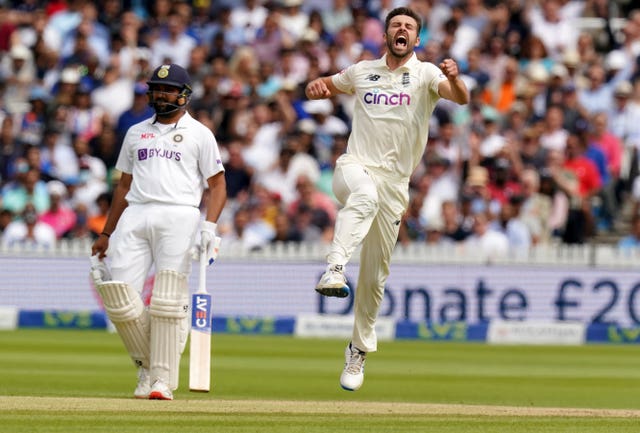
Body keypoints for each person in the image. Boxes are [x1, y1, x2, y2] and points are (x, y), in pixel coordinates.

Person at [304, 7, 469, 392]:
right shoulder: (363, 71)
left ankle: (358, 350)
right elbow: (328, 83)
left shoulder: (427, 74)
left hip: (395, 185)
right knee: (361, 196)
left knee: (375, 277)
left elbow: (459, 99)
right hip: (355, 166)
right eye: (396, 24)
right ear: (385, 34)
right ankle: (334, 268)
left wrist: (456, 79)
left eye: (409, 27)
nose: (402, 29)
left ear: (416, 38)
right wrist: (317, 85)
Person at [90, 63, 226, 401]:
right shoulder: (136, 132)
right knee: (120, 298)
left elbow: (217, 184)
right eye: (156, 88)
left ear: (183, 94)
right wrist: (107, 232)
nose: (160, 94)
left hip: (179, 214)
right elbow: (124, 185)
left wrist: (209, 225)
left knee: (167, 299)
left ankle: (159, 380)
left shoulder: (200, 134)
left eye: (167, 89)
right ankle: (149, 368)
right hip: (136, 214)